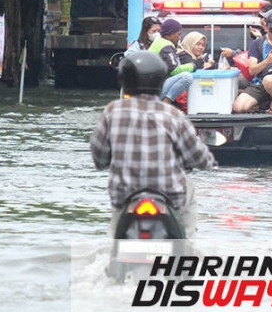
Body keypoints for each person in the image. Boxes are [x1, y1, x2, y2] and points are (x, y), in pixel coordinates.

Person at [90, 51, 215, 238]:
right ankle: (187, 251)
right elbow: (198, 157)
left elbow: (99, 156)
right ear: (160, 81)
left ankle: (113, 253)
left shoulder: (112, 112)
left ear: (125, 81)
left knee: (113, 234)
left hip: (125, 192)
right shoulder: (173, 115)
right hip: (170, 192)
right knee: (189, 199)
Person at [149, 18, 207, 106]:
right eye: (178, 34)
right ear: (169, 35)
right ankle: (167, 102)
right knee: (187, 77)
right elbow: (174, 70)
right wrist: (194, 65)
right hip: (154, 89)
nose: (180, 37)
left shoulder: (160, 43)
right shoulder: (166, 46)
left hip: (152, 86)